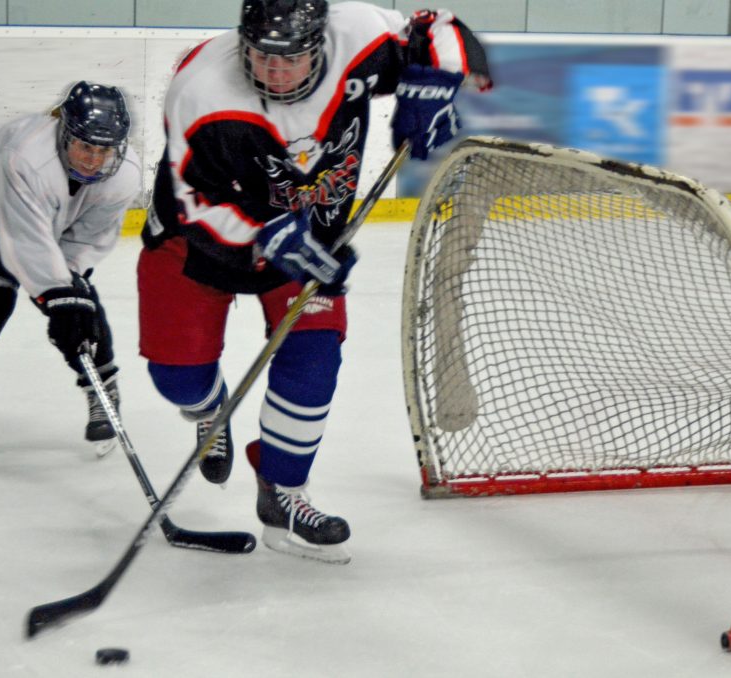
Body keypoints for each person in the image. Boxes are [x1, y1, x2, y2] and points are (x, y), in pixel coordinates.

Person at [139, 0, 491, 563]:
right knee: (179, 379)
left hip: (311, 239)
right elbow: (192, 199)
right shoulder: (202, 89)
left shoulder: (359, 35)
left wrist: (434, 84)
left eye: (292, 59)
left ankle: (283, 488)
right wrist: (267, 235)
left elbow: (441, 29)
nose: (274, 72)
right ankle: (209, 410)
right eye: (261, 57)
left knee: (315, 357)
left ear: (321, 44)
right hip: (202, 237)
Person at [0, 81, 142, 463]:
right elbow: (25, 242)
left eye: (104, 150)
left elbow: (87, 240)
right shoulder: (25, 156)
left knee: (77, 296)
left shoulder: (125, 173)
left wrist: (69, 290)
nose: (93, 159)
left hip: (55, 219)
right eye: (86, 146)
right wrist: (56, 294)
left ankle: (102, 388)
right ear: (65, 134)